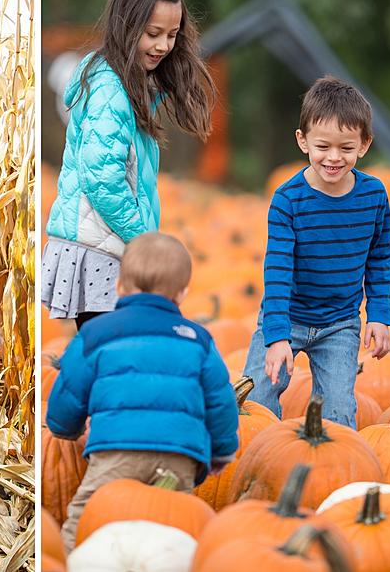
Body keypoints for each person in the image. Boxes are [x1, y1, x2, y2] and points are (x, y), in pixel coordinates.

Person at [42, 0, 217, 331]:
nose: (164, 46)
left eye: (171, 35)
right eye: (153, 34)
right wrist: (144, 243)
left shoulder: (131, 85)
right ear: (126, 26)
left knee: (114, 350)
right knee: (113, 350)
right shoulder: (109, 91)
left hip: (110, 246)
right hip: (99, 252)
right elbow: (103, 181)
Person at [45, 232, 239, 552]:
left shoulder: (96, 332)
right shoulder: (197, 338)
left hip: (118, 449)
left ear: (119, 286)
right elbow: (220, 400)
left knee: (84, 521)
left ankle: (66, 560)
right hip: (180, 456)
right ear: (183, 293)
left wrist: (65, 427)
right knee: (173, 535)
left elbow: (71, 386)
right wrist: (221, 451)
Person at [241, 76, 390, 428]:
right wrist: (277, 336)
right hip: (288, 315)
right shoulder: (288, 199)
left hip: (340, 322)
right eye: (323, 146)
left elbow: (380, 257)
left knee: (339, 413)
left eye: (346, 147)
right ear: (303, 141)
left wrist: (379, 316)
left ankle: (330, 476)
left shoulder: (373, 195)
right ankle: (265, 464)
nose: (334, 157)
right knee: (255, 402)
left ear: (365, 144)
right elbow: (277, 270)